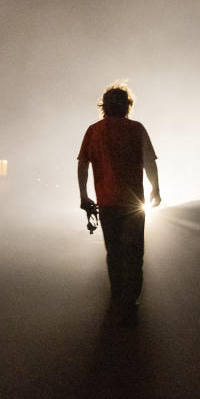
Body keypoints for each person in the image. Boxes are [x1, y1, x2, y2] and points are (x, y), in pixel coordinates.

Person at [77, 84, 160, 324]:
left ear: (103, 106)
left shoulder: (93, 131)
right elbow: (149, 162)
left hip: (108, 202)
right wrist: (156, 189)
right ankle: (130, 300)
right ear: (127, 106)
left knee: (114, 252)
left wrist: (84, 196)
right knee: (134, 253)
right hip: (133, 204)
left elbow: (83, 164)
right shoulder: (136, 129)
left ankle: (117, 297)